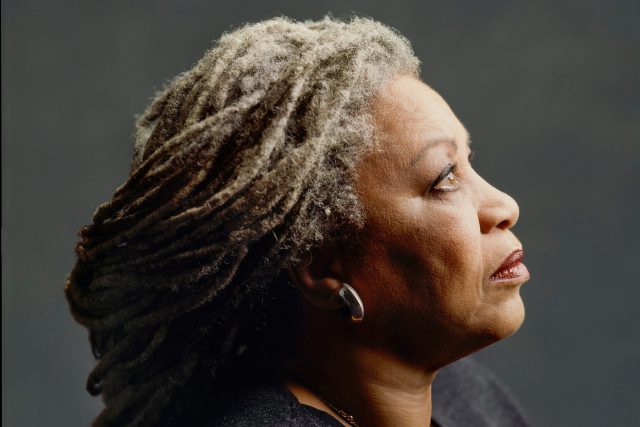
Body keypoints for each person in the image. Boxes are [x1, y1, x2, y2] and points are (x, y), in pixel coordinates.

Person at [65, 16, 532, 427]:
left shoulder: (470, 400)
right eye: (444, 179)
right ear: (324, 268)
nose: (504, 205)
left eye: (469, 163)